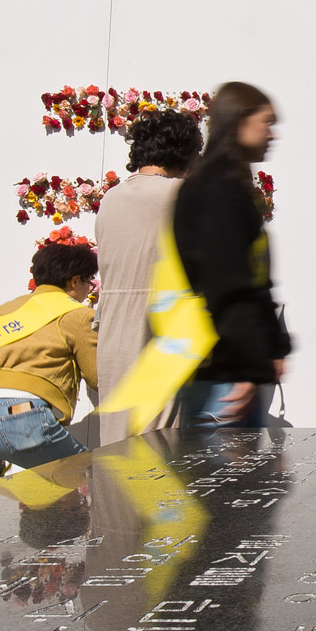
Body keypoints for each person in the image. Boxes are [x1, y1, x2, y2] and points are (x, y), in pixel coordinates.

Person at [174, 82, 288, 428]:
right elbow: (228, 285)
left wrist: (272, 348)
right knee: (223, 464)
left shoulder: (222, 185)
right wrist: (248, 365)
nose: (271, 134)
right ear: (239, 120)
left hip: (223, 374)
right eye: (265, 122)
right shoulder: (219, 191)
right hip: (223, 381)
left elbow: (252, 282)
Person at [0, 241, 98, 483]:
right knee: (92, 478)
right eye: (89, 282)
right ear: (75, 281)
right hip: (20, 420)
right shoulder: (78, 315)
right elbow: (98, 377)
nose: (89, 288)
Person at [95, 108, 201, 440]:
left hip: (114, 333)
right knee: (160, 444)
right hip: (159, 329)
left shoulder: (111, 198)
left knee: (117, 442)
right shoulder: (180, 196)